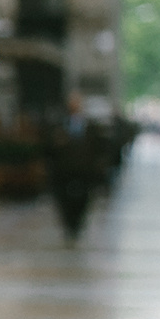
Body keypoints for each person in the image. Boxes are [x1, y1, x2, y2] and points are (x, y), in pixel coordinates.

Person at [46, 92, 106, 242]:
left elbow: (98, 148)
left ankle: (77, 223)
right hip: (63, 171)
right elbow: (48, 148)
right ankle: (69, 224)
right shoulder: (58, 125)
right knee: (63, 199)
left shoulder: (90, 126)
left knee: (83, 199)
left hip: (84, 171)